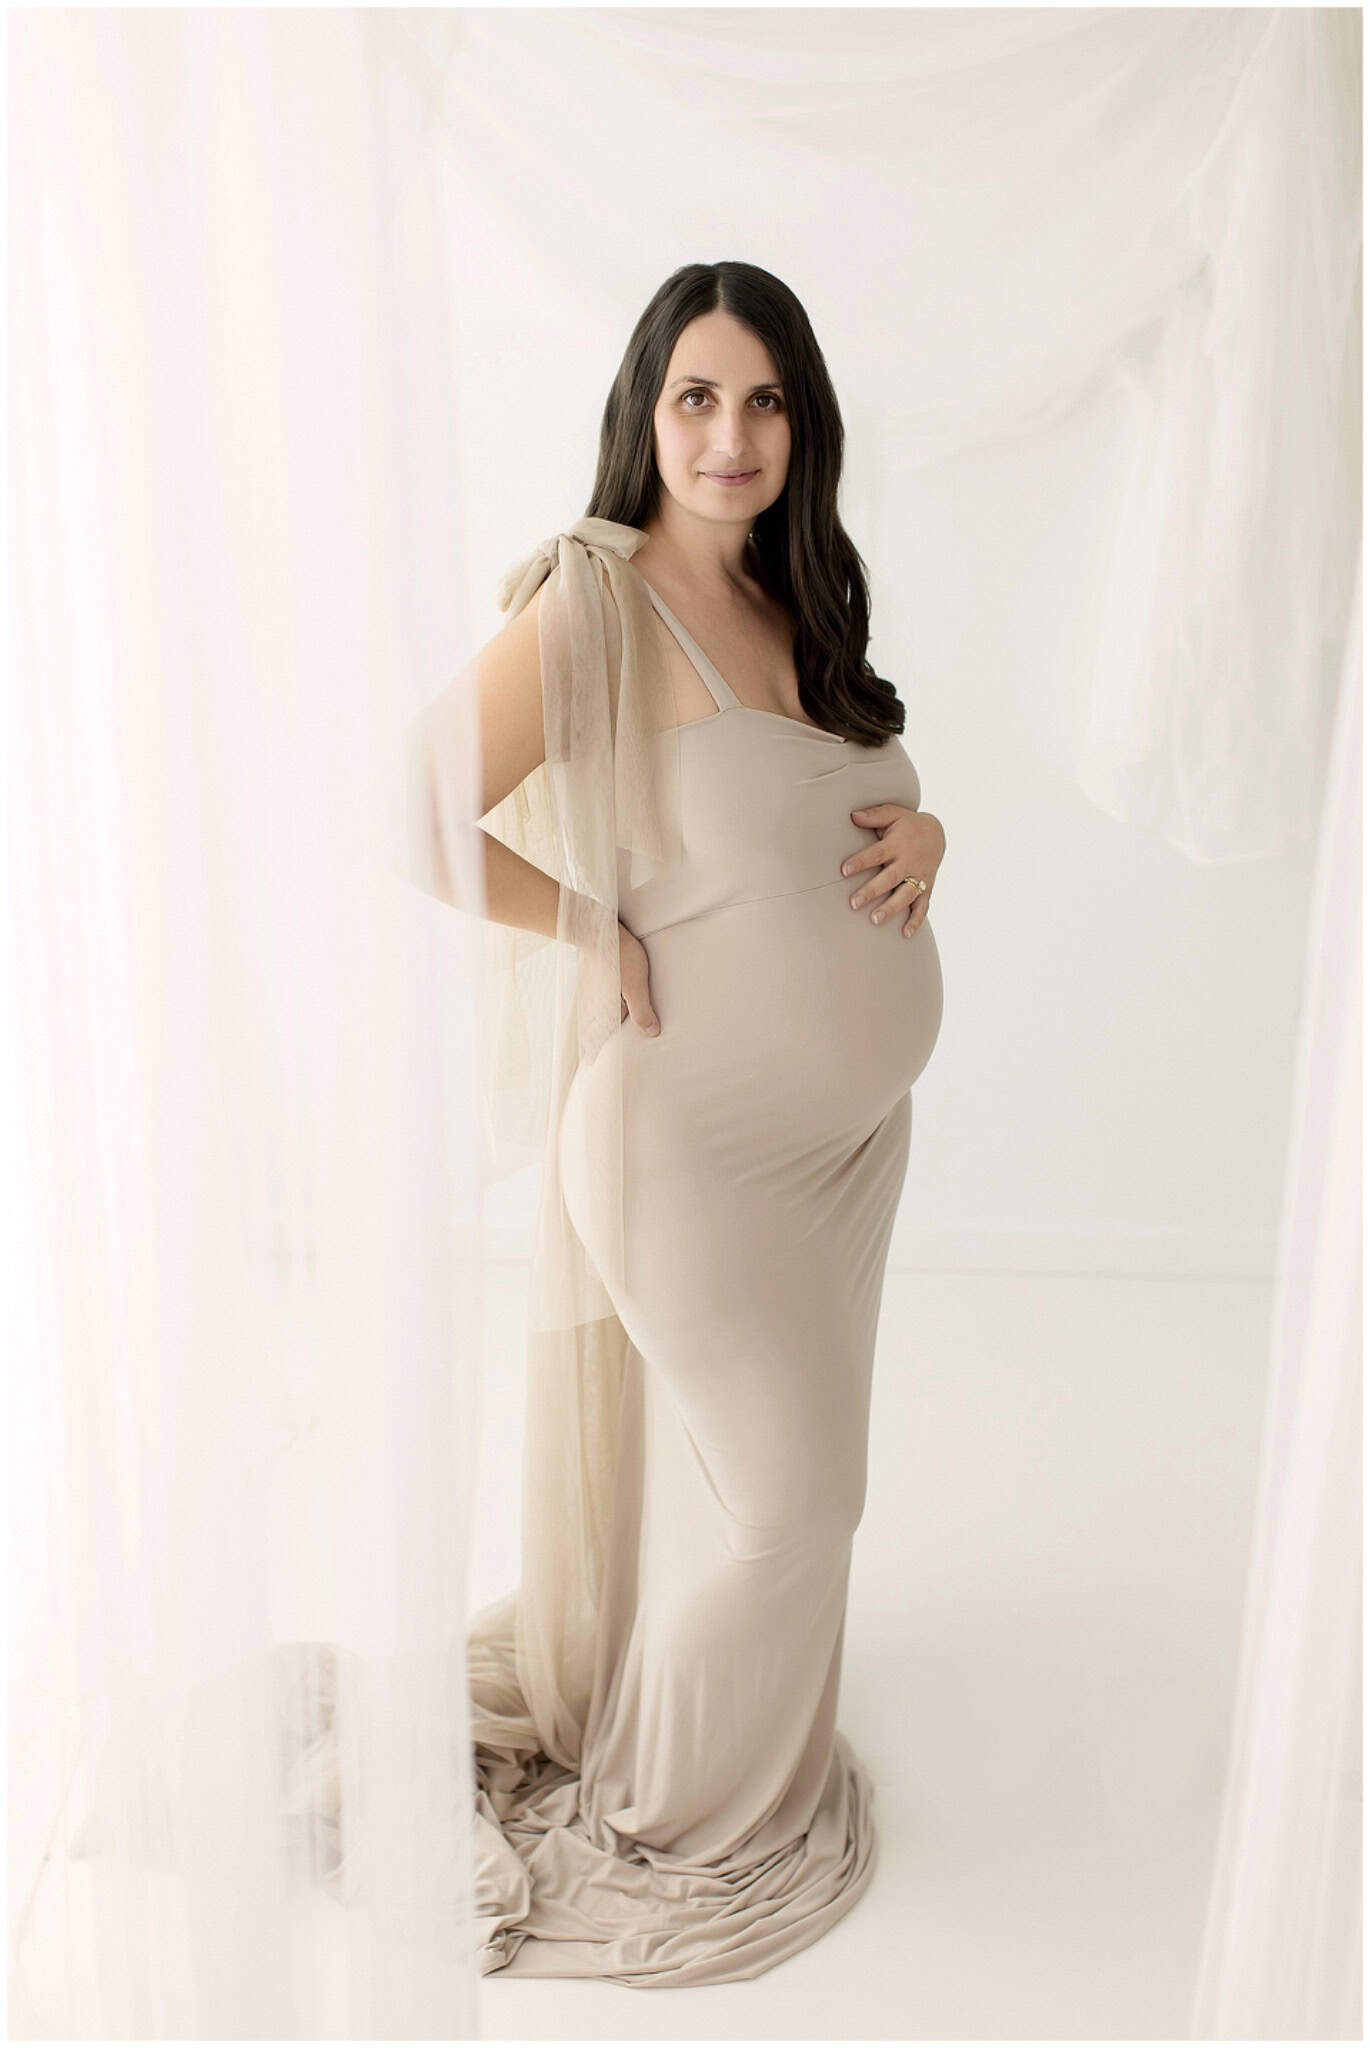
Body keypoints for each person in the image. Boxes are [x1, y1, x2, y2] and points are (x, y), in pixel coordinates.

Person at [407, 259, 946, 1988]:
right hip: (687, 1150)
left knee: (772, 1499)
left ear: (804, 425)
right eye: (696, 397)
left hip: (842, 1159)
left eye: (764, 399)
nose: (730, 436)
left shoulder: (796, 603)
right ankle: (675, 1818)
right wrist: (587, 923)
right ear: (645, 415)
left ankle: (734, 1741)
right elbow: (417, 804)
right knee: (799, 1503)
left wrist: (931, 837)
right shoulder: (600, 601)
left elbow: (825, 817)